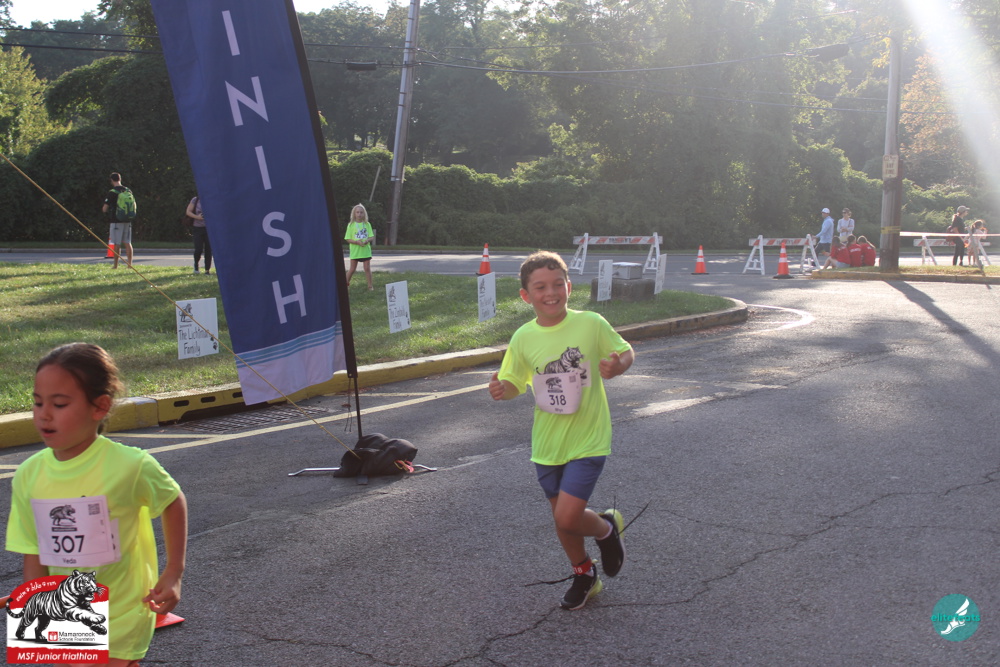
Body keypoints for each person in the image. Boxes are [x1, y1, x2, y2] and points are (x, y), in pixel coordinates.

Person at [6, 343, 188, 666]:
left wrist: (174, 572)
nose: (44, 414)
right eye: (37, 402)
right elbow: (34, 549)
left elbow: (172, 500)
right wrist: (34, 600)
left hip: (122, 611)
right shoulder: (28, 475)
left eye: (59, 404)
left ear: (100, 407)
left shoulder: (129, 466)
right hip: (65, 612)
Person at [488, 251, 634, 611]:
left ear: (569, 287)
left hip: (588, 438)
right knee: (562, 519)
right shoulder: (523, 337)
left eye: (557, 285)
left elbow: (625, 351)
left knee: (567, 516)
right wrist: (502, 389)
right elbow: (514, 381)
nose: (550, 293)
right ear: (526, 295)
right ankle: (584, 574)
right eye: (540, 287)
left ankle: (605, 529)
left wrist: (618, 366)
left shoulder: (590, 323)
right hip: (547, 443)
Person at [102, 173, 134, 270]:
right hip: (127, 220)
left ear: (111, 180)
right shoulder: (128, 190)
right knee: (128, 242)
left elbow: (104, 209)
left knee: (117, 243)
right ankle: (129, 265)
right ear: (120, 179)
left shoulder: (112, 192)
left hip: (116, 221)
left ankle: (115, 265)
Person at [344, 203, 374, 290]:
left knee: (367, 268)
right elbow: (347, 238)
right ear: (354, 214)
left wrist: (367, 240)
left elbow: (371, 237)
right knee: (352, 269)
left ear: (364, 213)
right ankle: (345, 285)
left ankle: (370, 286)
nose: (359, 214)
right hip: (355, 251)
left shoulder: (367, 224)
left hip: (365, 250)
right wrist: (356, 242)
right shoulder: (351, 225)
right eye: (357, 212)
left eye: (361, 212)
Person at [186, 195, 213, 275]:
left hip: (209, 228)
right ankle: (196, 265)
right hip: (197, 228)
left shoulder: (211, 199)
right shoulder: (195, 199)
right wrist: (197, 217)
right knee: (198, 249)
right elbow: (188, 212)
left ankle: (207, 270)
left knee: (208, 249)